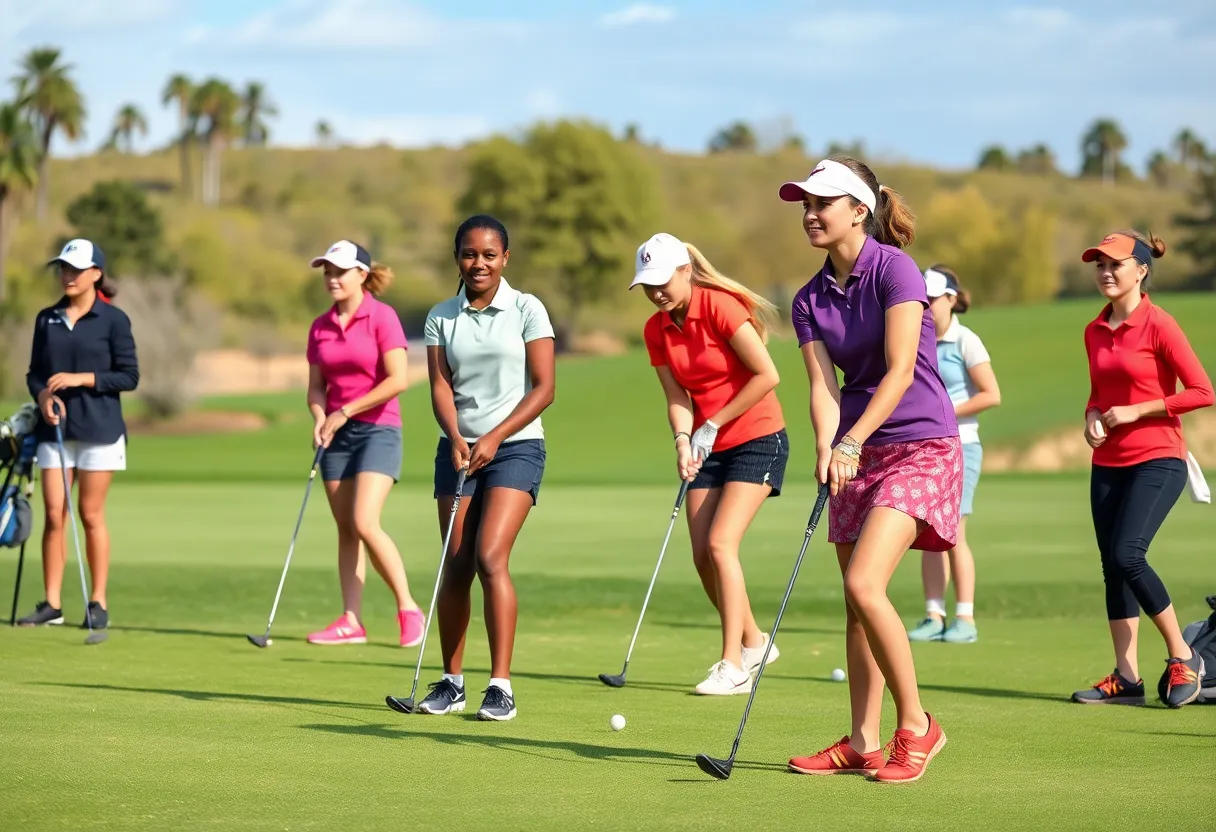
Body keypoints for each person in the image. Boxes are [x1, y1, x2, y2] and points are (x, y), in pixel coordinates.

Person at [780, 156, 961, 784]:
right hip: (857, 450)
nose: (809, 213)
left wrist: (850, 440)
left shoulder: (896, 269)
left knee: (863, 584)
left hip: (920, 445)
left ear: (859, 209)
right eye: (804, 203)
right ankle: (862, 741)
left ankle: (917, 726)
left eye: (821, 202)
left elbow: (900, 369)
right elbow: (821, 386)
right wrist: (827, 446)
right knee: (858, 606)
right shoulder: (807, 298)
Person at [629, 232, 789, 695]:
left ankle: (733, 663)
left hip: (758, 436)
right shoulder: (655, 329)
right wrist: (683, 439)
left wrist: (713, 422)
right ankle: (757, 642)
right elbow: (677, 396)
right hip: (706, 443)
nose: (656, 292)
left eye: (663, 281)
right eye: (647, 284)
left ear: (685, 272)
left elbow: (767, 375)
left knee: (721, 544)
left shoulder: (720, 306)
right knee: (702, 556)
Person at [415, 214, 556, 721]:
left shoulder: (526, 308)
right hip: (456, 448)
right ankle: (452, 682)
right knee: (455, 564)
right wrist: (456, 436)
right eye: (469, 254)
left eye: (489, 255)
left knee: (490, 557)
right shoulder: (441, 316)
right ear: (458, 258)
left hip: (516, 447)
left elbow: (545, 387)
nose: (479, 263)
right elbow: (439, 386)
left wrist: (495, 436)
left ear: (505, 258)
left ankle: (501, 687)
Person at [1072, 230, 1212, 708]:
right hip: (1106, 460)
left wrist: (1139, 410)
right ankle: (1126, 679)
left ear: (1141, 269)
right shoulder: (1094, 330)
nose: (1106, 273)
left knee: (1129, 554)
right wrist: (1092, 417)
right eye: (1099, 265)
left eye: (1115, 264)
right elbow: (1098, 395)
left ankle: (1183, 655)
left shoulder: (1160, 325)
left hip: (1159, 457)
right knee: (1113, 568)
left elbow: (1201, 391)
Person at [304, 239, 424, 647]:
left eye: (340, 271)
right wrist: (320, 416)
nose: (332, 279)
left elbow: (398, 380)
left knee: (364, 521)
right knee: (345, 529)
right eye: (327, 272)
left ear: (361, 275)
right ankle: (351, 620)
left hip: (378, 429)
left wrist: (345, 411)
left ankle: (408, 607)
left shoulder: (382, 317)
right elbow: (316, 387)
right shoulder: (320, 326)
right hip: (335, 434)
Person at [18, 239, 138, 630]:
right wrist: (43, 394)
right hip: (55, 429)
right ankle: (52, 603)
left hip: (100, 431)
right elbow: (35, 371)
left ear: (96, 274)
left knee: (90, 514)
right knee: (54, 514)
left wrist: (81, 379)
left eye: (75, 269)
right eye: (63, 268)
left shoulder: (114, 320)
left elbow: (129, 375)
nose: (67, 275)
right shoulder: (46, 318)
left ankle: (98, 602)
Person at [907, 266, 1000, 644]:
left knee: (955, 531)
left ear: (950, 299)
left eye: (932, 299)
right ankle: (934, 614)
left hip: (962, 443)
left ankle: (965, 616)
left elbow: (990, 394)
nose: (926, 306)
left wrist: (940, 409)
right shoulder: (913, 337)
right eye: (922, 299)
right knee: (929, 531)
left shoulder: (966, 341)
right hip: (924, 445)